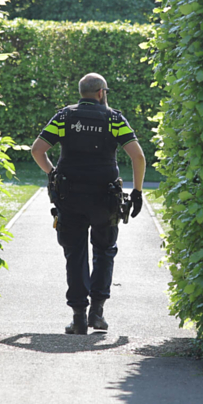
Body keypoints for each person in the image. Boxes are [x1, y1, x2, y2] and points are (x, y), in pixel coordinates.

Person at [31, 73, 146, 335]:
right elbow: (137, 156)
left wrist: (52, 174)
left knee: (75, 253)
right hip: (105, 199)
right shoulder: (114, 119)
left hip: (69, 197)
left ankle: (78, 317)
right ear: (102, 93)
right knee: (105, 250)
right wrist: (137, 192)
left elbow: (37, 150)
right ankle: (97, 312)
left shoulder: (64, 117)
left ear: (82, 93)